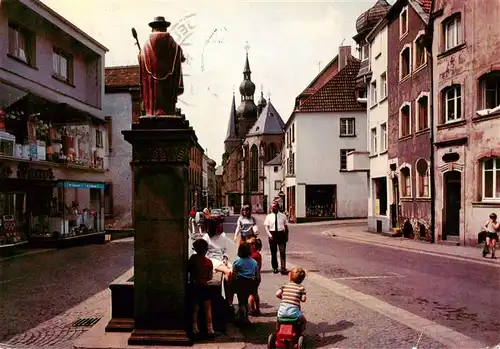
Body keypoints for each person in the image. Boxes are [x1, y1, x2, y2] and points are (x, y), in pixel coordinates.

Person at [139, 16, 185, 116]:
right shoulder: (174, 46)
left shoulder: (145, 46)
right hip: (168, 89)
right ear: (165, 27)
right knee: (168, 106)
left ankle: (151, 111)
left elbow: (141, 63)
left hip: (152, 94)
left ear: (153, 28)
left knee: (152, 99)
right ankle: (167, 111)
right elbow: (181, 58)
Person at [188, 239, 214, 335]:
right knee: (207, 308)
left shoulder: (193, 259)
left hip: (195, 285)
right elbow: (210, 277)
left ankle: (195, 328)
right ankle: (210, 328)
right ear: (206, 250)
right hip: (204, 286)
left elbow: (189, 271)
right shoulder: (208, 262)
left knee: (195, 308)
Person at [231, 242, 259, 323]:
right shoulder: (254, 262)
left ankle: (243, 317)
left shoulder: (237, 262)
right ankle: (246, 317)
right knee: (246, 300)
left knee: (241, 302)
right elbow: (257, 276)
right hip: (250, 284)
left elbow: (233, 275)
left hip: (240, 283)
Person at [264, 201, 289, 274]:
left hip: (281, 234)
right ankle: (275, 267)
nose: (272, 208)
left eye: (274, 207)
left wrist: (286, 236)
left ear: (277, 207)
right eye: (272, 207)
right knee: (273, 252)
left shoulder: (283, 216)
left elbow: (286, 227)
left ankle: (283, 268)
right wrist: (269, 235)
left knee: (282, 252)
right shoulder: (269, 216)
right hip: (272, 234)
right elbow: (266, 227)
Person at [249, 238, 263, 316]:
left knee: (251, 294)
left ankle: (252, 309)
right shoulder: (258, 255)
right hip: (257, 276)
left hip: (251, 276)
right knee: (255, 293)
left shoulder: (252, 255)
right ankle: (257, 309)